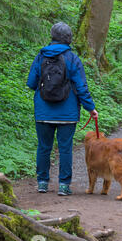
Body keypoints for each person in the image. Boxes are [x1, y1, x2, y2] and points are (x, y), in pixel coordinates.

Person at [27, 22, 98, 196]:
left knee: (44, 147)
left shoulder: (41, 56)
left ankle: (42, 183)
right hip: (68, 113)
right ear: (69, 38)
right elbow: (81, 87)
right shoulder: (73, 58)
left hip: (43, 111)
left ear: (52, 36)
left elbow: (31, 83)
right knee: (65, 148)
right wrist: (91, 108)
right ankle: (64, 186)